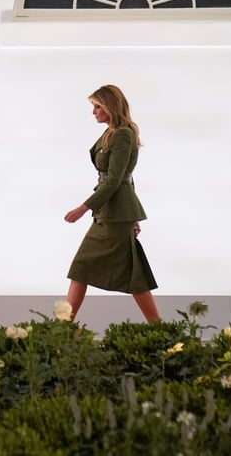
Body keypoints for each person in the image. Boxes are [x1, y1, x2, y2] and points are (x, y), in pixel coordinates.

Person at [63, 84, 161, 322]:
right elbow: (125, 177)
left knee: (83, 267)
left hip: (114, 214)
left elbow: (117, 180)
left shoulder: (122, 134)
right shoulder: (111, 133)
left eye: (97, 106)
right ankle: (158, 327)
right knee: (123, 272)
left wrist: (83, 208)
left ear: (110, 106)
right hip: (113, 213)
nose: (94, 111)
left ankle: (62, 328)